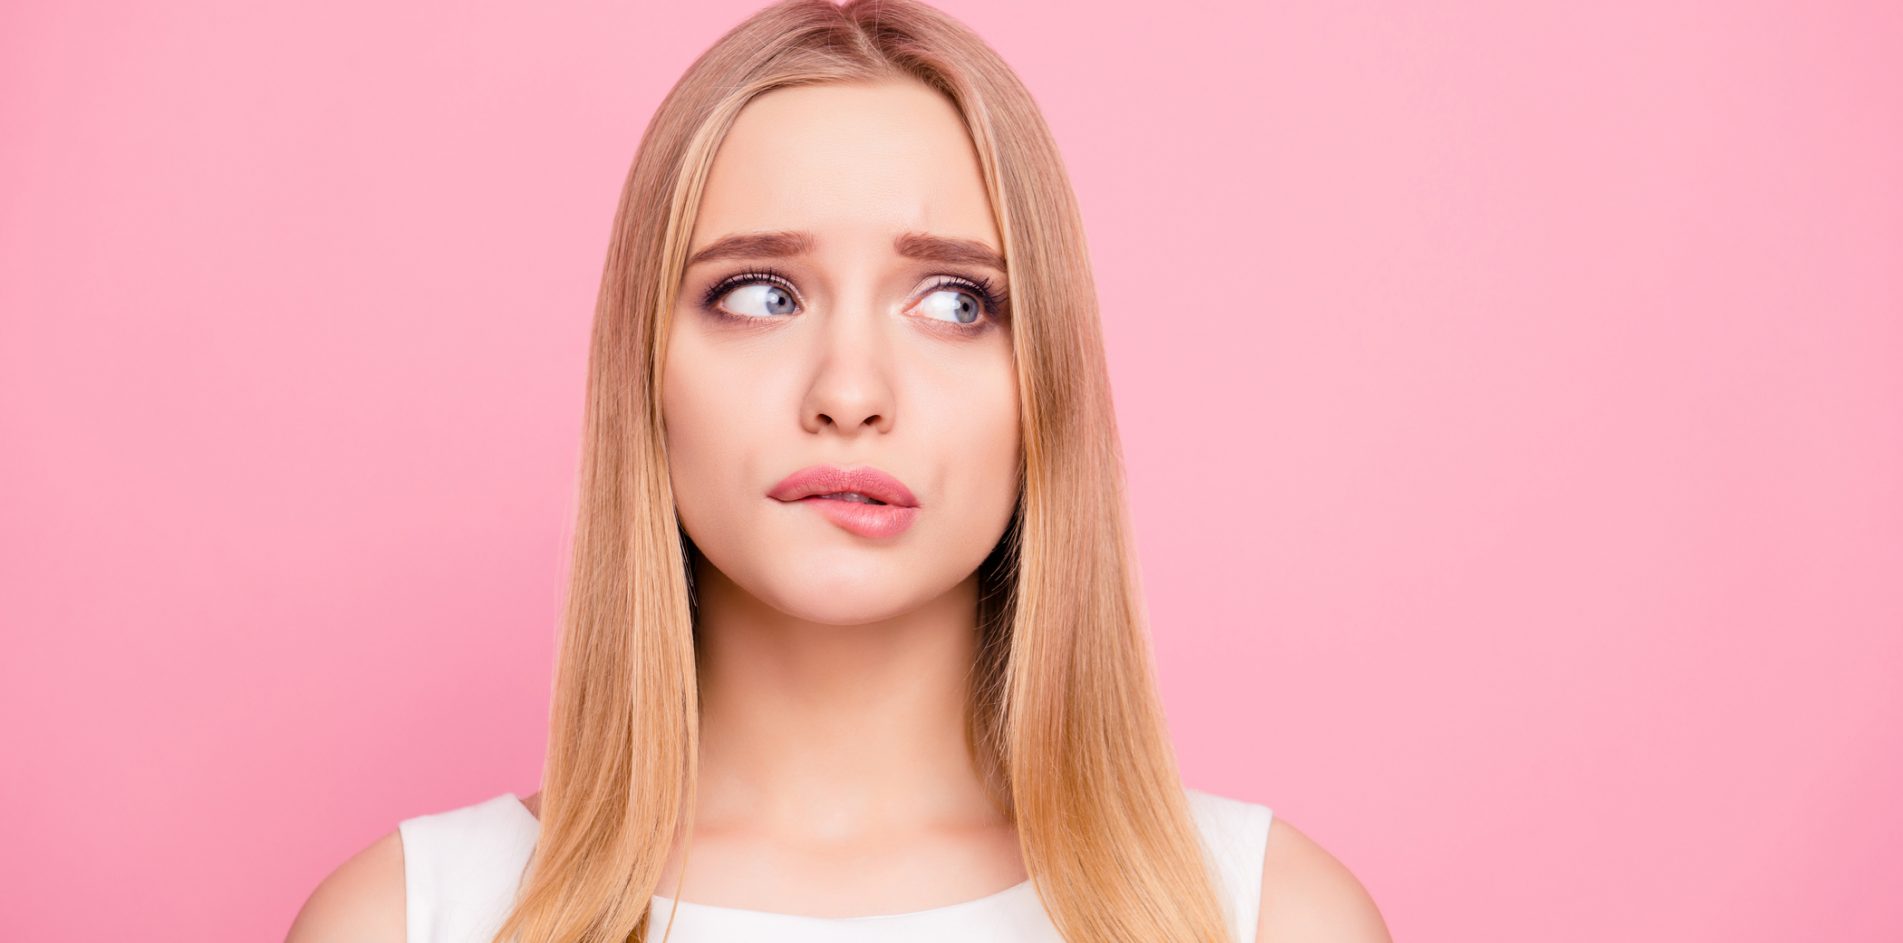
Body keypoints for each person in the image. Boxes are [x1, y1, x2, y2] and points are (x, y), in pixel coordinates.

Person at [287, 1, 1391, 940]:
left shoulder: (1266, 917)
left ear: (1042, 385)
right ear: (646, 375)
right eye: (762, 293)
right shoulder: (415, 918)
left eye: (958, 302)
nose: (851, 389)